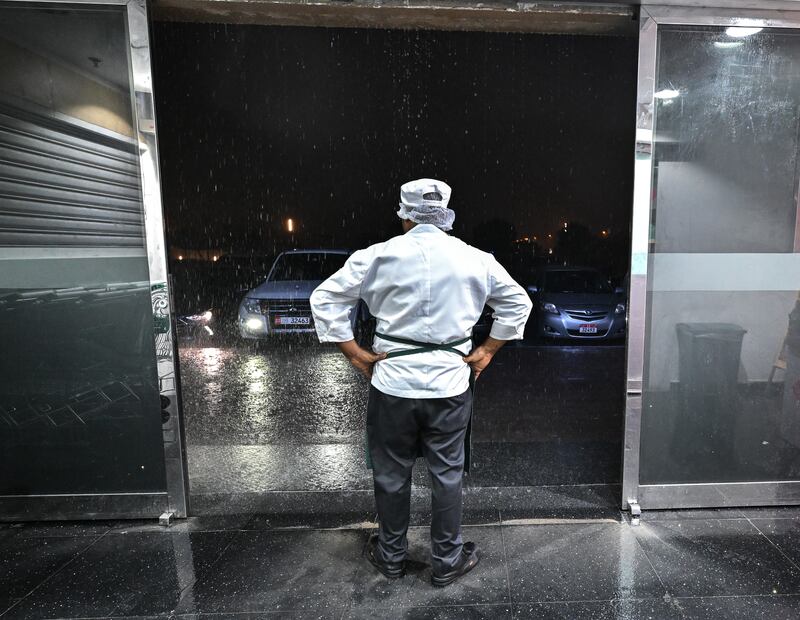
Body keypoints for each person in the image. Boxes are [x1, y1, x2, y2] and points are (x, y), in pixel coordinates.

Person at [310, 179, 532, 587]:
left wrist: (355, 352)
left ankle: (391, 555)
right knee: (447, 475)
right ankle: (447, 560)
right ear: (445, 214)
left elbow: (325, 300)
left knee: (391, 474)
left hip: (392, 385)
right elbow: (518, 304)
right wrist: (487, 351)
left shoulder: (377, 256)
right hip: (450, 386)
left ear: (404, 213)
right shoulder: (475, 258)